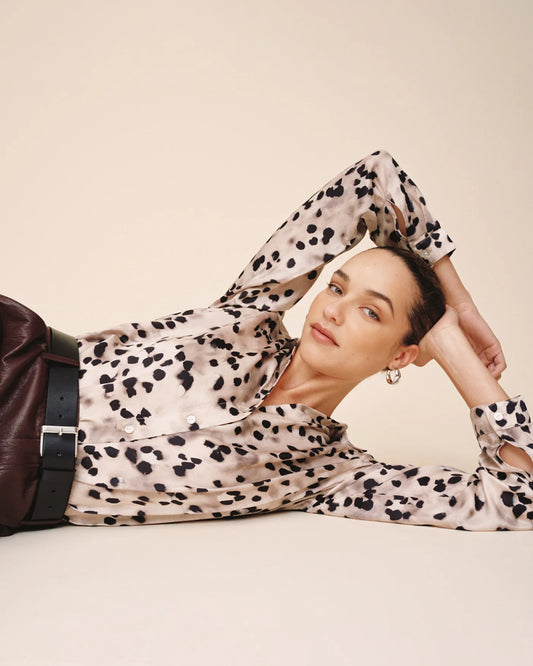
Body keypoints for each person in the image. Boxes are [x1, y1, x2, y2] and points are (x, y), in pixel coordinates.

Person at [5, 149, 533, 534]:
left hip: (14, 490)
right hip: (18, 367)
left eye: (370, 311)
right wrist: (461, 301)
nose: (333, 310)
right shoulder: (250, 317)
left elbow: (519, 495)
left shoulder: (329, 474)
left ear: (402, 354)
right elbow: (375, 180)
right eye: (337, 287)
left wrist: (451, 340)